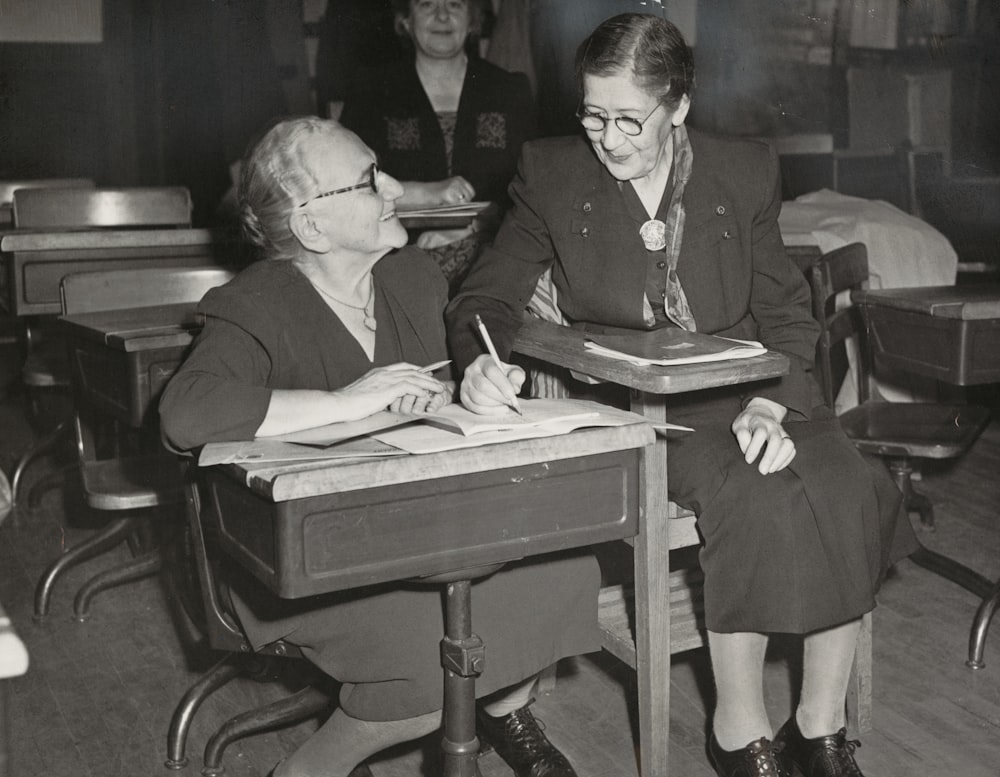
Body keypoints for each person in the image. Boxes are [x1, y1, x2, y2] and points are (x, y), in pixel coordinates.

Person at [446, 14, 918, 777]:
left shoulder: (742, 170)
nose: (610, 138)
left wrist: (773, 402)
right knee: (756, 497)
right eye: (593, 115)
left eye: (630, 119)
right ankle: (738, 729)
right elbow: (485, 296)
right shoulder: (552, 171)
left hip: (752, 388)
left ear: (681, 106)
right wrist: (478, 359)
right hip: (641, 406)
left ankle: (820, 728)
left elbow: (789, 315)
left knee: (846, 480)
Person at [159, 117, 592, 777]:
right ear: (311, 226)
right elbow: (185, 411)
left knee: (563, 573)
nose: (392, 185)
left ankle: (496, 707)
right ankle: (312, 768)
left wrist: (476, 382)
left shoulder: (412, 277)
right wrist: (343, 403)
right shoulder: (259, 301)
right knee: (445, 645)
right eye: (367, 181)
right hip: (309, 557)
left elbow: (451, 379)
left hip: (421, 533)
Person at [339, 0, 535, 293]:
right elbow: (347, 187)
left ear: (472, 21)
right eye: (427, 3)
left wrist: (472, 227)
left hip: (494, 255)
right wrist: (428, 194)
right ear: (405, 20)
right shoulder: (372, 91)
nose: (442, 15)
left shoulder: (509, 89)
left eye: (455, 4)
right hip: (397, 256)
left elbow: (532, 188)